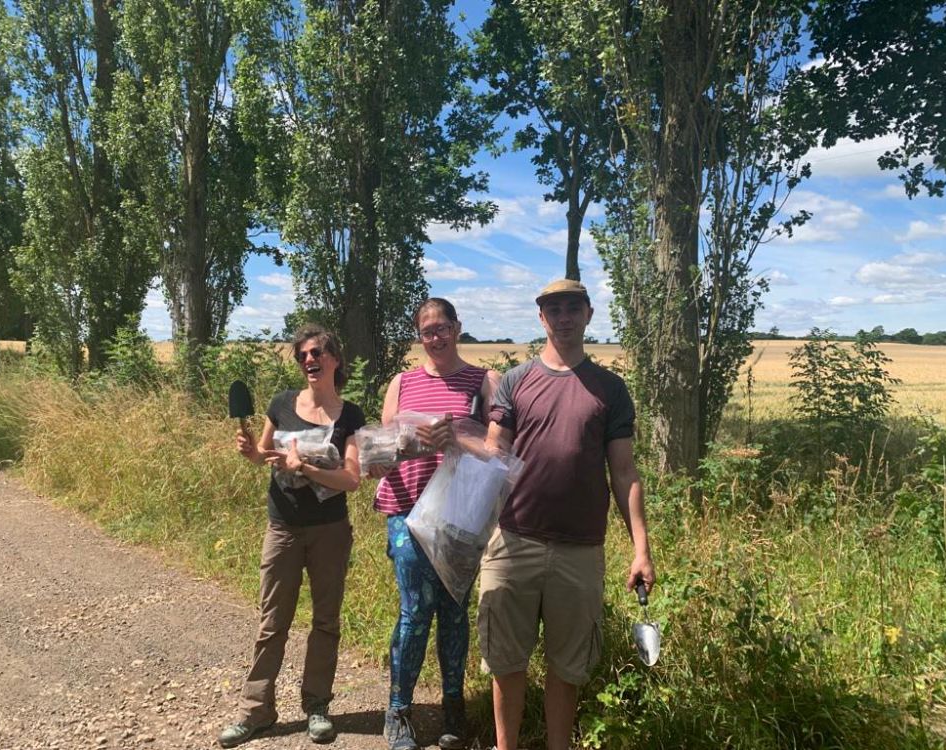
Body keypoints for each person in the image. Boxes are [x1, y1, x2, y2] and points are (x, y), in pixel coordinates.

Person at [479, 279, 655, 750]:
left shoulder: (610, 390)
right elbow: (496, 455)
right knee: (506, 661)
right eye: (553, 309)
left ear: (588, 315)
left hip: (580, 550)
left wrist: (642, 550)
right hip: (513, 542)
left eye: (572, 308)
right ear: (541, 319)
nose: (563, 317)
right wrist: (456, 448)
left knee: (567, 666)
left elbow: (624, 473)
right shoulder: (516, 381)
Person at [218, 324, 365, 748]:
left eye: (316, 352)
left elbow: (352, 479)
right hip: (282, 526)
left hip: (330, 531)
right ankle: (255, 711)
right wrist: (253, 454)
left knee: (325, 620)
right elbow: (264, 455)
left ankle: (317, 706)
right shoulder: (282, 404)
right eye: (302, 355)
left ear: (334, 358)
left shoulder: (350, 414)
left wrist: (306, 467)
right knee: (272, 621)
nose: (308, 360)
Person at [370, 298, 500, 750]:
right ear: (419, 336)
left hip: (461, 514)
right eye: (427, 330)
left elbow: (504, 447)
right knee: (414, 609)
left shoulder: (485, 381)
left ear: (457, 328)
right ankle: (398, 710)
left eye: (443, 327)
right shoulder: (401, 383)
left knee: (453, 612)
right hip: (406, 509)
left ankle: (452, 709)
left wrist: (459, 437)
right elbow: (380, 449)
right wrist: (408, 443)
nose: (436, 336)